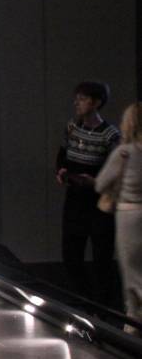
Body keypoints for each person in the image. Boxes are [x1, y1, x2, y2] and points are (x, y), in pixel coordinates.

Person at [56, 81, 119, 302]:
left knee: (101, 257)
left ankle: (103, 306)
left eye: (82, 99)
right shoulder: (72, 127)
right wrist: (61, 170)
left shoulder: (110, 134)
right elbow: (62, 154)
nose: (77, 103)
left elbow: (115, 170)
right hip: (75, 198)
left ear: (96, 103)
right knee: (71, 254)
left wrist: (94, 182)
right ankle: (83, 301)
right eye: (77, 99)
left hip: (98, 202)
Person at [96, 102, 142, 332]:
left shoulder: (124, 153)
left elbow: (100, 184)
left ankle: (132, 325)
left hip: (128, 216)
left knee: (132, 274)